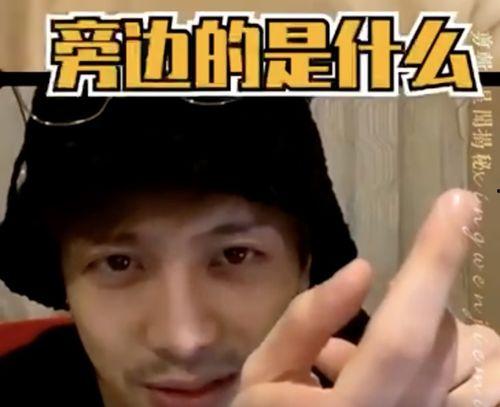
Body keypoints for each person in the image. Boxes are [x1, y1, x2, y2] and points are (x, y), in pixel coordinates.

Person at [0, 89, 498, 407]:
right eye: (118, 262)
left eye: (234, 254)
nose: (185, 338)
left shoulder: (388, 390)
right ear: (64, 278)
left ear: (306, 265)